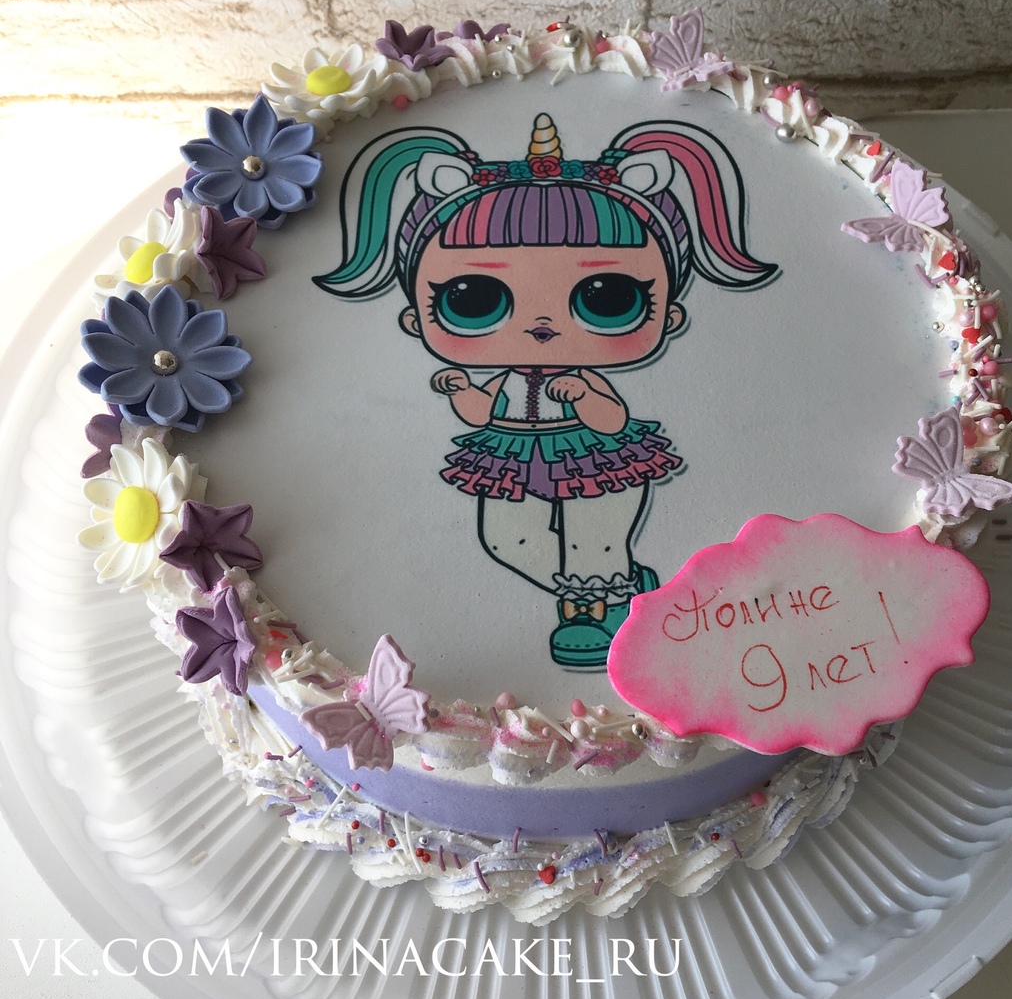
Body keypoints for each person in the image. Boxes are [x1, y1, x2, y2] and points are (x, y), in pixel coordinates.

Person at [316, 113, 777, 668]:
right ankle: (624, 587)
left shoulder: (583, 376)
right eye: (472, 298)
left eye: (608, 297)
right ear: (415, 318)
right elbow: (482, 412)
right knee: (507, 541)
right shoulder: (504, 376)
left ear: (670, 316)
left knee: (594, 540)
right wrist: (462, 389)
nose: (541, 326)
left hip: (597, 457)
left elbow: (611, 420)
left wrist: (584, 396)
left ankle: (593, 615)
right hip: (509, 453)